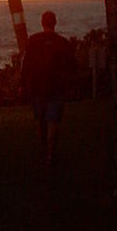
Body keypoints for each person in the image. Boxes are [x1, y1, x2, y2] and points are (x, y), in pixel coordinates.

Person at [20, 10, 76, 166]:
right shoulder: (62, 43)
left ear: (42, 22)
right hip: (56, 87)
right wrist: (71, 85)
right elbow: (72, 66)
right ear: (55, 23)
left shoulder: (33, 41)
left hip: (38, 87)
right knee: (53, 121)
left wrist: (23, 83)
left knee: (41, 120)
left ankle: (45, 149)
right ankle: (50, 153)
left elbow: (27, 64)